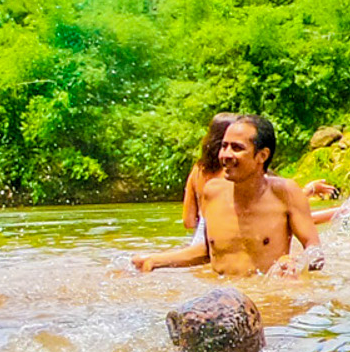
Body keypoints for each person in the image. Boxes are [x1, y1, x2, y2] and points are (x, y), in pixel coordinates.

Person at [131, 113, 319, 276]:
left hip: (270, 298)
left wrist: (294, 263)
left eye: (237, 148)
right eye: (224, 146)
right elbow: (208, 251)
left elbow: (315, 252)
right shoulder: (212, 192)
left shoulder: (286, 192)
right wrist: (154, 260)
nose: (225, 155)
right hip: (222, 299)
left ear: (262, 155)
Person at [179, 113, 239, 244]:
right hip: (227, 238)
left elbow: (188, 221)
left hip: (199, 240)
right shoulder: (234, 172)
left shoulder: (197, 170)